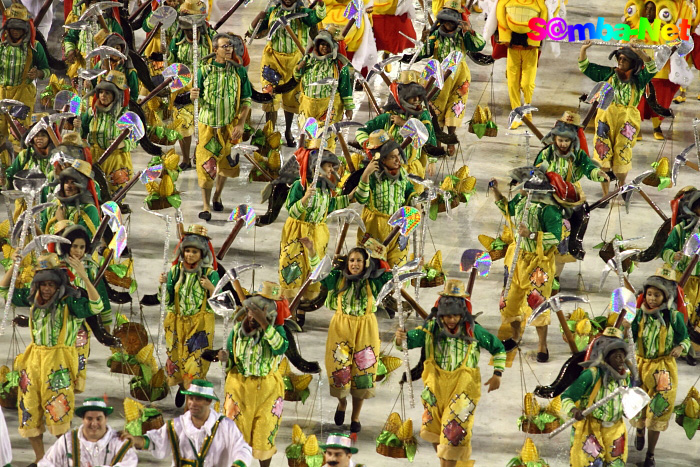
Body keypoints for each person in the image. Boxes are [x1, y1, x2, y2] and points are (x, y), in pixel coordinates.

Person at [0, 253, 103, 463]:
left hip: (58, 366)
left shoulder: (71, 304)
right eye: (42, 285)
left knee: (59, 413)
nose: (46, 289)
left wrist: (84, 277)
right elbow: (4, 290)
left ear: (59, 286)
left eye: (51, 285)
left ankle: (65, 460)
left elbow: (96, 306)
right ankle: (41, 460)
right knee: (29, 412)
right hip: (32, 363)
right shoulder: (33, 302)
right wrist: (14, 266)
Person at [395, 279, 505, 467]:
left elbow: (498, 348)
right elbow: (407, 343)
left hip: (462, 392)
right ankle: (445, 462)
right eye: (447, 316)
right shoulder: (430, 330)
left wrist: (497, 373)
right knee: (436, 433)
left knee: (453, 434)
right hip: (435, 391)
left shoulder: (473, 331)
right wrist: (400, 338)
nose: (451, 320)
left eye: (456, 316)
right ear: (440, 315)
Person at [302, 238, 392, 434]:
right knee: (339, 370)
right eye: (352, 260)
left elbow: (391, 276)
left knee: (363, 372)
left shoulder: (374, 280)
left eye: (359, 260)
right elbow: (320, 271)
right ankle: (342, 403)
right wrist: (311, 250)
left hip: (366, 329)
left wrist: (380, 256)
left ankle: (355, 417)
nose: (355, 264)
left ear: (365, 263)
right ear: (347, 262)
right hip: (341, 328)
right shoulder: (337, 278)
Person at [490, 167, 563, 363]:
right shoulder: (522, 200)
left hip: (538, 264)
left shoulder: (550, 210)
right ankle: (515, 336)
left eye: (518, 185)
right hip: (517, 259)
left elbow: (556, 237)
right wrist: (496, 192)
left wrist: (531, 235)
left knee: (538, 303)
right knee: (510, 300)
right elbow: (509, 209)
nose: (515, 188)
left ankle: (542, 344)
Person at [534, 111, 610, 287]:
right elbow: (536, 171)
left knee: (571, 230)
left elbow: (589, 166)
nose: (562, 144)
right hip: (548, 197)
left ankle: (572, 249)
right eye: (560, 140)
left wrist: (597, 173)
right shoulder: (546, 153)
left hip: (570, 197)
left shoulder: (578, 156)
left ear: (572, 141)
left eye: (566, 141)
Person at [217, 283, 289, 466]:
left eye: (259, 313)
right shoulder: (236, 332)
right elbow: (232, 357)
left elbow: (281, 346)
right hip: (238, 387)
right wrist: (225, 357)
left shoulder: (277, 331)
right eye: (251, 312)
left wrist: (265, 324)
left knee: (264, 433)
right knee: (236, 433)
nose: (252, 317)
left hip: (268, 390)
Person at [279, 147, 350, 327]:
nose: (331, 170)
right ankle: (290, 311)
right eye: (328, 166)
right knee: (294, 268)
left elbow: (331, 205)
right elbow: (291, 210)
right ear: (314, 168)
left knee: (312, 269)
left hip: (318, 234)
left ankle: (302, 307)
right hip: (297, 232)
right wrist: (304, 199)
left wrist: (350, 196)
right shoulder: (300, 186)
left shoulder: (326, 189)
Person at [578, 40, 657, 194]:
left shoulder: (639, 79)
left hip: (628, 120)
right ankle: (606, 194)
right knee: (603, 153)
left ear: (633, 63)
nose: (620, 62)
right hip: (605, 117)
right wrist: (583, 49)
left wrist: (640, 52)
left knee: (623, 153)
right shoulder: (609, 73)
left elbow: (652, 68)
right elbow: (585, 66)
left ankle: (621, 187)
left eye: (625, 59)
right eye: (619, 58)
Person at [631, 270, 690, 467]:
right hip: (639, 367)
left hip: (663, 370)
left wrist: (681, 347)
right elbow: (628, 339)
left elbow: (684, 338)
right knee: (638, 407)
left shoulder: (674, 317)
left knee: (658, 410)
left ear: (665, 296)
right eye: (649, 294)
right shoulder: (637, 315)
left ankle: (650, 453)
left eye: (657, 295)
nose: (652, 299)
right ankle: (639, 430)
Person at [120, 379, 253, 467]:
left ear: (208, 401)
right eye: (190, 398)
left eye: (198, 399)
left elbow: (242, 448)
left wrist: (238, 464)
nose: (192, 403)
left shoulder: (225, 426)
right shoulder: (177, 425)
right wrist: (135, 440)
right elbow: (157, 440)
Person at [191, 33, 252, 221]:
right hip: (207, 127)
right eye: (224, 46)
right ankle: (206, 206)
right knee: (206, 165)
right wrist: (192, 95)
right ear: (215, 49)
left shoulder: (239, 72)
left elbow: (246, 100)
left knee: (226, 164)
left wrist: (241, 124)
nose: (229, 49)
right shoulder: (203, 70)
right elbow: (195, 96)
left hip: (229, 127)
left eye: (231, 46)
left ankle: (217, 195)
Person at [158, 224, 220, 407]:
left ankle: (190, 404)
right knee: (177, 360)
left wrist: (212, 289)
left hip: (199, 327)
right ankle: (181, 386)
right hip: (177, 323)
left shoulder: (210, 274)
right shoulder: (175, 272)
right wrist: (163, 284)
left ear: (202, 254)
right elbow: (167, 299)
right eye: (187, 251)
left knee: (194, 366)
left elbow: (221, 304)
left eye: (195, 251)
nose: (190, 255)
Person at [254, 0, 326, 146]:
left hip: (296, 61)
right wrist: (259, 18)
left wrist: (321, 3)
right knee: (270, 96)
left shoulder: (304, 13)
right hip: (273, 60)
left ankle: (288, 130)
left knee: (293, 97)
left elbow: (318, 17)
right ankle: (270, 133)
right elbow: (254, 34)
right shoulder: (272, 12)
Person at [416, 1, 484, 154]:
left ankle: (451, 139)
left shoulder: (463, 35)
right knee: (436, 107)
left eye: (450, 21)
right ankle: (439, 141)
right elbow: (424, 53)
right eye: (444, 20)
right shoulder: (436, 35)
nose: (447, 24)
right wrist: (423, 40)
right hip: (438, 73)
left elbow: (479, 45)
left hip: (459, 74)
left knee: (456, 104)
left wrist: (471, 32)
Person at [560, 327, 633, 467]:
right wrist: (575, 411)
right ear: (605, 356)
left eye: (623, 356)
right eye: (617, 356)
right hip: (591, 428)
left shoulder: (625, 377)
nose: (621, 360)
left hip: (615, 429)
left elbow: (626, 401)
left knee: (616, 463)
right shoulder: (591, 375)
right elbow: (567, 396)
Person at [55, 223, 113, 394]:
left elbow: (101, 294)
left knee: (79, 358)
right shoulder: (58, 266)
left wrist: (105, 322)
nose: (78, 251)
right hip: (61, 322)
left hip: (83, 324)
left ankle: (71, 391)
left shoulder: (91, 267)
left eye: (82, 247)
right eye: (74, 246)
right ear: (67, 245)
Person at [355, 70, 436, 183]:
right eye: (413, 96)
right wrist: (369, 147)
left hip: (413, 169)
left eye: (419, 96)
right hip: (390, 170)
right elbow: (362, 130)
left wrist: (404, 123)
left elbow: (427, 136)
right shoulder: (388, 117)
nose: (417, 100)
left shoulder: (423, 115)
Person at [354, 130, 416, 267]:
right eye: (393, 157)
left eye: (398, 155)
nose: (398, 160)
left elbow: (409, 189)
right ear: (382, 159)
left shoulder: (402, 173)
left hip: (398, 228)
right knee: (372, 268)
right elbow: (361, 198)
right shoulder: (372, 176)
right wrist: (365, 175)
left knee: (398, 268)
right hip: (374, 228)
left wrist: (415, 203)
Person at [167, 0, 215, 170]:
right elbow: (171, 64)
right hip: (184, 87)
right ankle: (186, 158)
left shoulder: (212, 39)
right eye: (185, 29)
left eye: (191, 29)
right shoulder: (176, 41)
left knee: (204, 124)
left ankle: (200, 153)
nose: (189, 32)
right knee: (183, 122)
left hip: (206, 85)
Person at [293, 29, 354, 151]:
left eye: (327, 45)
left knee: (324, 140)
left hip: (328, 110)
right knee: (308, 138)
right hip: (308, 109)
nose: (324, 48)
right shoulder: (308, 59)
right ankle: (307, 165)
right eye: (322, 44)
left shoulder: (339, 64)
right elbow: (297, 77)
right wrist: (299, 68)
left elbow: (345, 87)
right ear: (316, 45)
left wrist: (349, 108)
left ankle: (325, 167)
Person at [80, 70, 138, 196]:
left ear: (115, 95)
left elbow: (136, 139)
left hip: (117, 160)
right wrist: (78, 130)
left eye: (107, 93)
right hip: (96, 157)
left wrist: (124, 144)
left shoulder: (125, 115)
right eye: (100, 92)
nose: (103, 96)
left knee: (116, 191)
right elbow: (82, 130)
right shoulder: (92, 112)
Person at [0, 4, 50, 142]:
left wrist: (38, 73)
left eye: (19, 29)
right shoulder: (1, 46)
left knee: (17, 133)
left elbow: (47, 70)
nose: (15, 32)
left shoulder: (35, 47)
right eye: (12, 28)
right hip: (1, 93)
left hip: (22, 96)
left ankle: (17, 161)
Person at [39, 398, 137, 467]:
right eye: (89, 418)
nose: (94, 424)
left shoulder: (119, 442)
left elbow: (130, 463)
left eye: (99, 419)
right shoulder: (67, 441)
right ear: (83, 419)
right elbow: (46, 463)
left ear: (106, 419)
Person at [663, 187, 700, 365]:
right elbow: (666, 250)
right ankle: (682, 345)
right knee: (684, 312)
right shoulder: (680, 230)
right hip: (683, 279)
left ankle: (694, 348)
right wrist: (673, 255)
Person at [40, 159, 100, 239]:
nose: (68, 186)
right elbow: (42, 233)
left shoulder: (89, 210)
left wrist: (62, 221)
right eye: (66, 182)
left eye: (73, 182)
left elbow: (80, 243)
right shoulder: (53, 205)